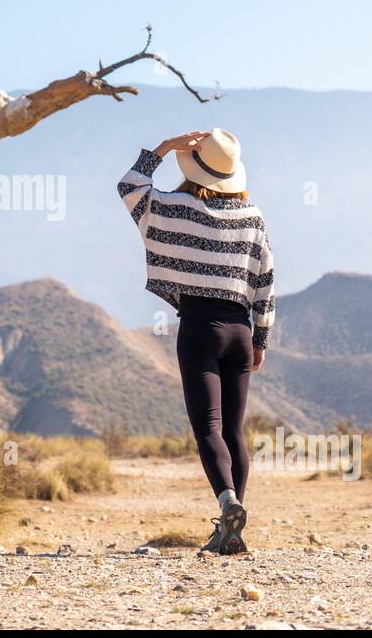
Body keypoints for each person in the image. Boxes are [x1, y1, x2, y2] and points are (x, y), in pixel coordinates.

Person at [117, 129, 275, 555]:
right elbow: (264, 283)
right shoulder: (251, 217)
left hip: (200, 329)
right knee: (235, 431)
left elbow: (130, 186)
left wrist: (165, 148)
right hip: (240, 331)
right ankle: (231, 531)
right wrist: (260, 339)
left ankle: (227, 503)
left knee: (208, 427)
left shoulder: (172, 209)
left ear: (193, 164)